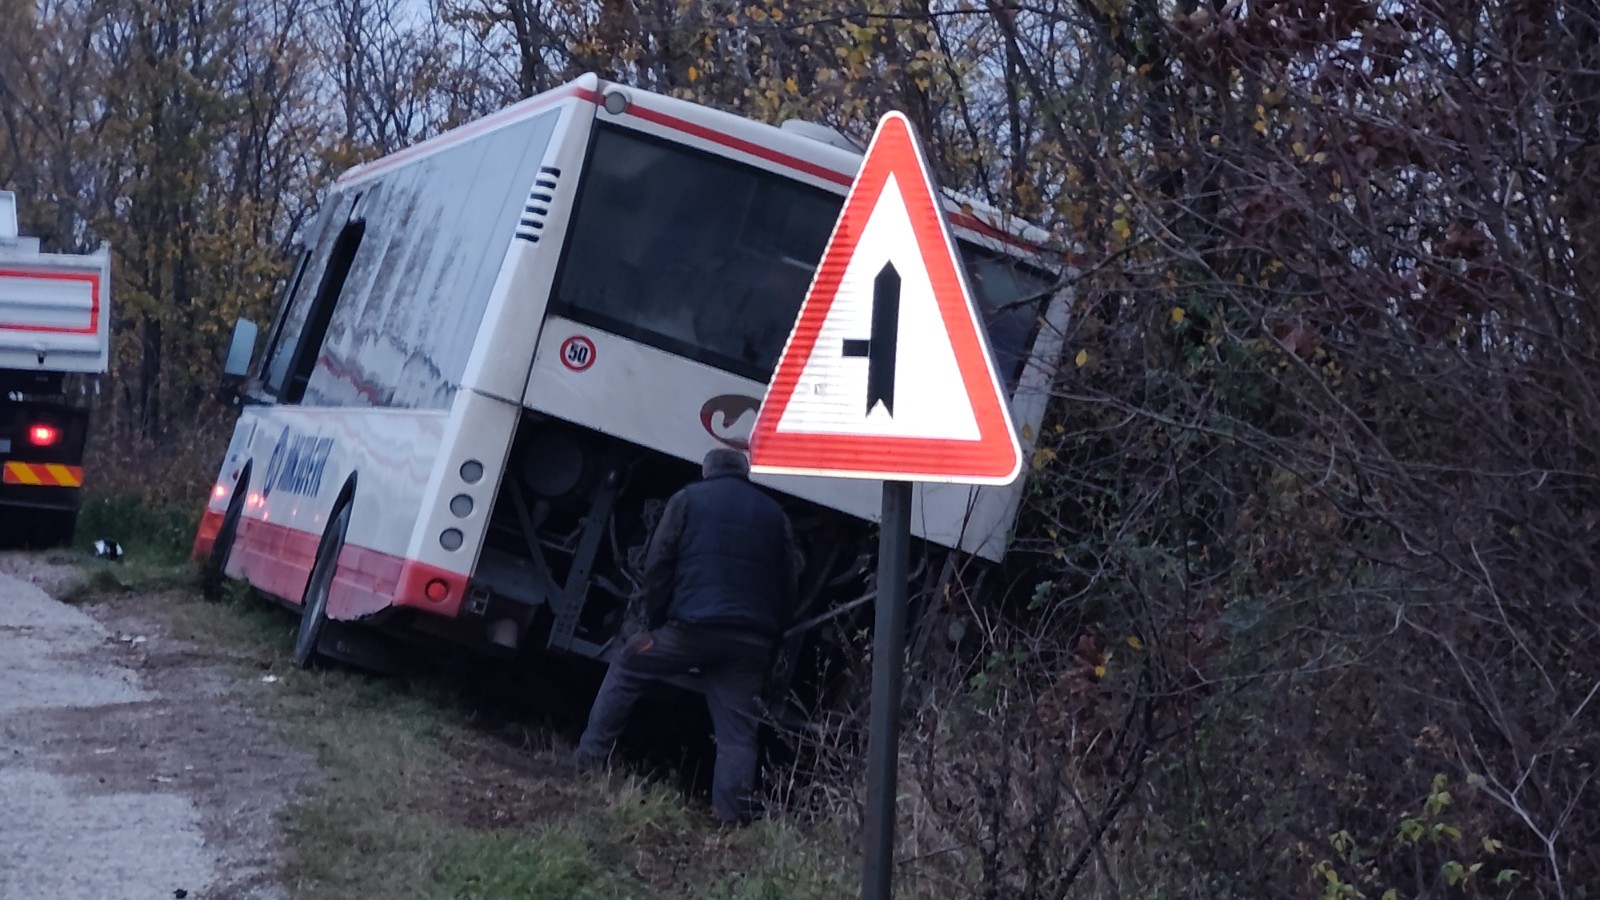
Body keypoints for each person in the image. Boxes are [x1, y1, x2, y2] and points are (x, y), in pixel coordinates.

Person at [574, 447, 800, 825]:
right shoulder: (775, 515)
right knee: (737, 733)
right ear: (746, 473)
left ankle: (588, 762)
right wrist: (771, 638)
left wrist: (656, 621)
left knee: (629, 663)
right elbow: (789, 585)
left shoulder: (688, 499)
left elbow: (660, 561)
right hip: (750, 643)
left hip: (692, 629)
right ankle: (729, 818)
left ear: (706, 470)